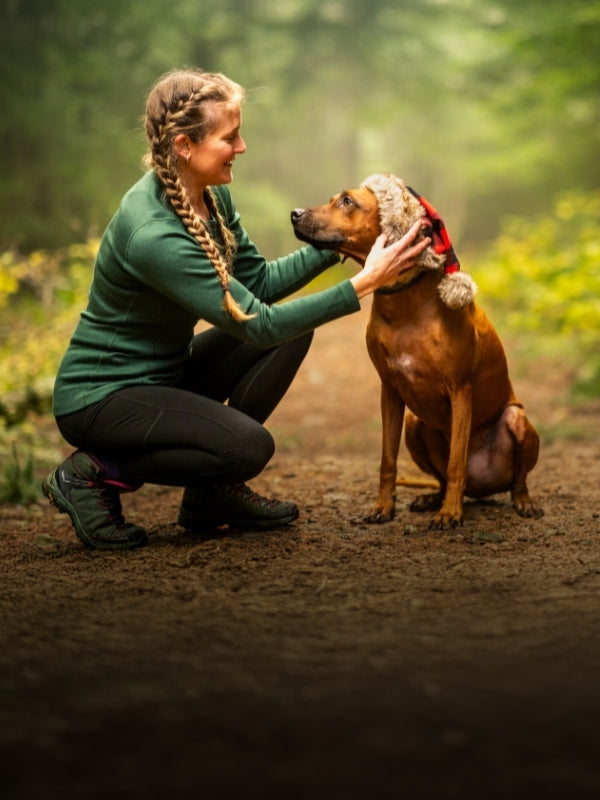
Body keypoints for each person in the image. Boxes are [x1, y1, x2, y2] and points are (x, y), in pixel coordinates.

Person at [42, 68, 430, 550]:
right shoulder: (153, 233)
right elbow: (258, 324)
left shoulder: (210, 195)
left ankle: (209, 495)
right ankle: (93, 472)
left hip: (164, 375)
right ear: (184, 145)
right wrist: (364, 283)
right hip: (102, 397)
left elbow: (261, 284)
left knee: (296, 331)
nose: (242, 147)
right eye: (231, 137)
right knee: (249, 447)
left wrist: (344, 237)